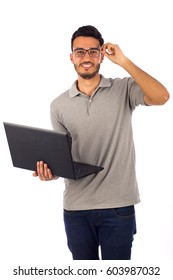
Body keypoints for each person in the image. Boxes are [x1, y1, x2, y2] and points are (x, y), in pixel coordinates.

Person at [33, 25, 169, 260]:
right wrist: (51, 173)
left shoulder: (123, 89)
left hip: (118, 207)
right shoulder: (58, 105)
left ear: (101, 56)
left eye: (93, 52)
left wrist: (124, 61)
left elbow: (162, 97)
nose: (86, 57)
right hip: (76, 209)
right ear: (71, 57)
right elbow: (64, 158)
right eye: (80, 52)